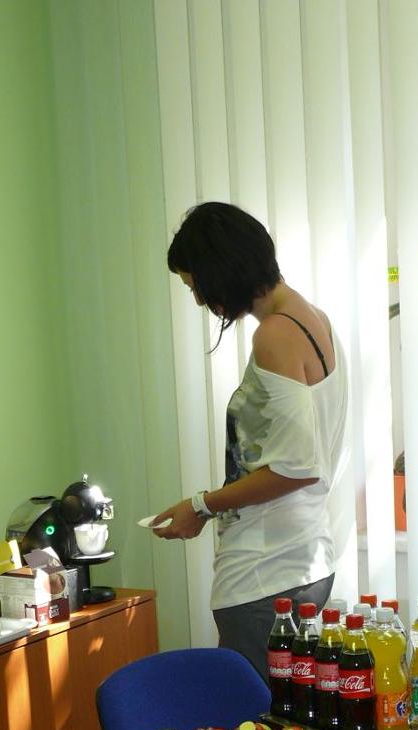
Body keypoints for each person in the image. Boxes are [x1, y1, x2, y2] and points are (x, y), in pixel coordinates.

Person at [152, 202, 348, 682]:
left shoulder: (276, 336)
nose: (200, 300)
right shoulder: (312, 317)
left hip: (266, 574)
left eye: (196, 284)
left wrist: (200, 506)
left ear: (221, 269)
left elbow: (297, 466)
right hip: (305, 560)